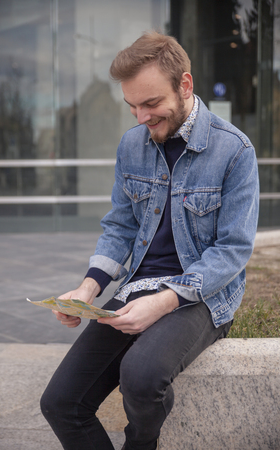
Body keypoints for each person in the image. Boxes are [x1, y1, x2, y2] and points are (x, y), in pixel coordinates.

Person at [40, 31, 259, 450]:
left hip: (201, 296)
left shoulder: (235, 151)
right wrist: (87, 290)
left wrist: (165, 301)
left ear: (185, 85)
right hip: (137, 289)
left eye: (151, 103)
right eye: (132, 106)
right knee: (60, 402)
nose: (140, 117)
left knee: (140, 378)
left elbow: (232, 251)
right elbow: (121, 228)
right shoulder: (132, 145)